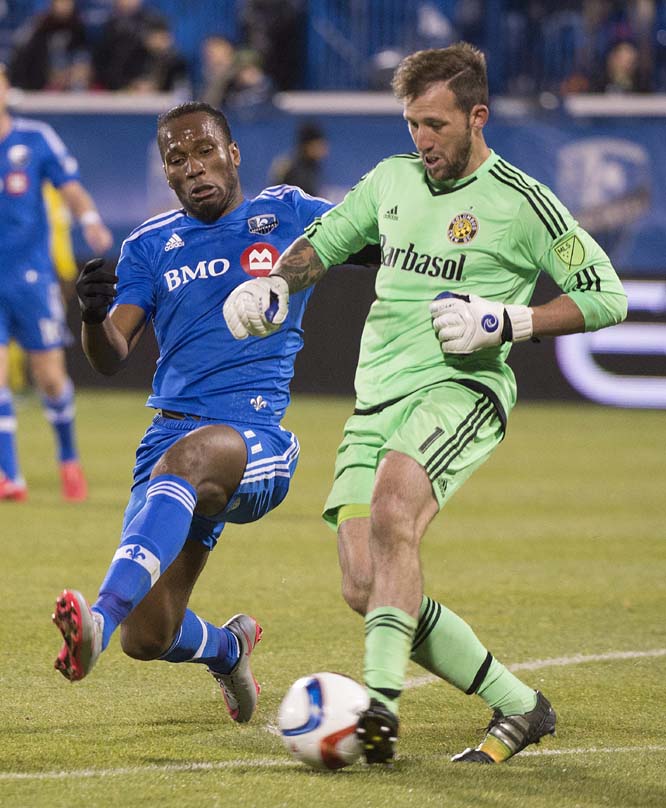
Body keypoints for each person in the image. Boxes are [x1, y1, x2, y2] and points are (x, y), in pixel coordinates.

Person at [222, 43, 628, 764]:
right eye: (412, 124)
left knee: (394, 509)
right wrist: (279, 284)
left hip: (459, 388)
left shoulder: (523, 202)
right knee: (365, 584)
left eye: (436, 125)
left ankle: (379, 709)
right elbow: (324, 243)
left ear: (478, 117)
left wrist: (510, 320)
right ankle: (519, 704)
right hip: (374, 399)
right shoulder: (390, 182)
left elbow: (608, 296)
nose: (423, 140)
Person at [51, 101, 336, 725]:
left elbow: (372, 234)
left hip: (252, 437)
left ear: (233, 154)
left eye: (205, 151)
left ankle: (97, 617)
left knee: (191, 461)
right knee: (148, 636)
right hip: (168, 445)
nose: (194, 167)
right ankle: (229, 647)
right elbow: (110, 355)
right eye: (177, 159)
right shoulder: (150, 245)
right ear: (166, 172)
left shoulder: (285, 212)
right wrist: (94, 316)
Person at [0, 64, 112, 502]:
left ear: (7, 86)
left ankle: (68, 457)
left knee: (48, 376)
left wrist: (90, 221)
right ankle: (10, 475)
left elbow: (70, 186)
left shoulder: (35, 138)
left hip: (30, 276)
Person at [8, 0, 89, 91]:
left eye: (67, 2)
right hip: (39, 86)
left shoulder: (78, 26)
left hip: (69, 83)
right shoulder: (40, 27)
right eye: (60, 2)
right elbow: (26, 63)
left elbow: (82, 55)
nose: (64, 6)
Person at [269, 122, 329, 198]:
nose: (323, 148)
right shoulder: (290, 167)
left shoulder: (313, 167)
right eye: (319, 144)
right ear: (308, 145)